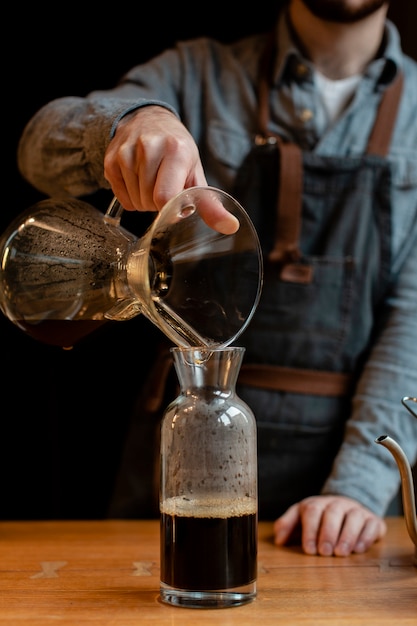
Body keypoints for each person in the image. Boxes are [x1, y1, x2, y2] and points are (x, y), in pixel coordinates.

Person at [17, 0, 417, 557]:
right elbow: (36, 149)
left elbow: (414, 321)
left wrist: (358, 487)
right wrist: (130, 122)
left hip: (339, 495)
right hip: (182, 457)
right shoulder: (197, 72)